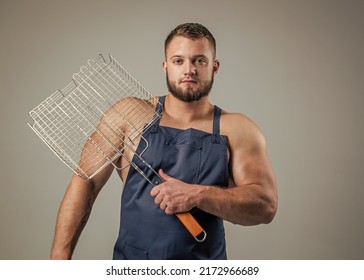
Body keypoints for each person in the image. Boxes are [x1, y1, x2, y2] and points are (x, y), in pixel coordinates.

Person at [50, 23, 278, 260]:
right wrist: (59, 259)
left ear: (215, 67)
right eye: (179, 61)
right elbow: (86, 182)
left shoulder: (239, 129)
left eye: (199, 60)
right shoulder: (129, 115)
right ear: (165, 66)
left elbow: (265, 206)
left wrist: (198, 195)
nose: (189, 70)